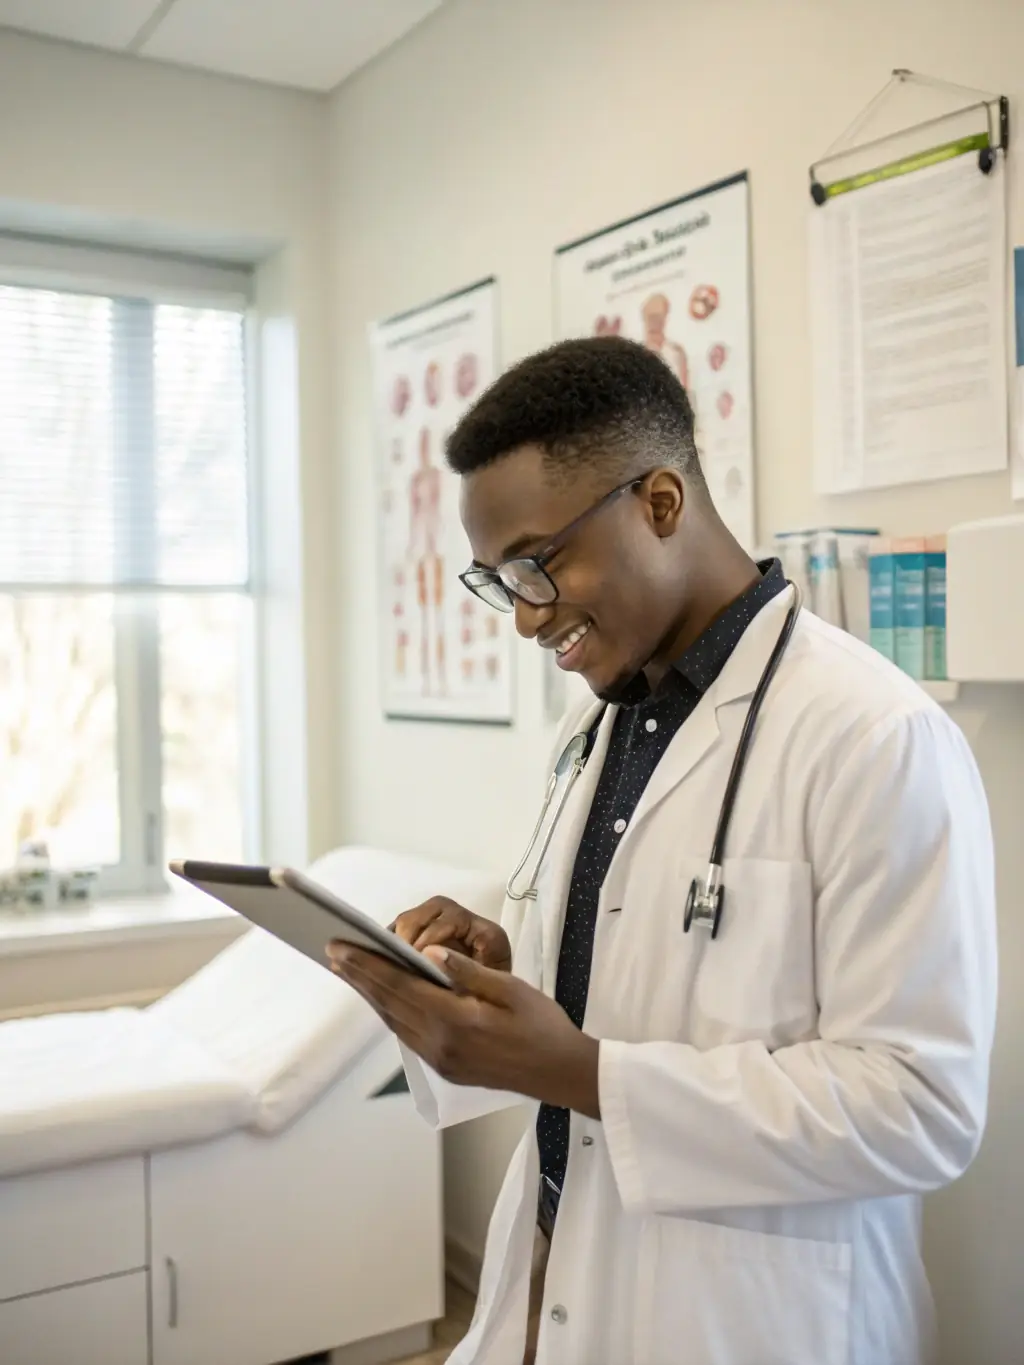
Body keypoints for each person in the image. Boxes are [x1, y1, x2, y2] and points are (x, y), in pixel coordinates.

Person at [329, 337, 996, 1365]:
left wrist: (591, 1074)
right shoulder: (593, 728)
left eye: (538, 566)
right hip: (563, 1260)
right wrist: (499, 982)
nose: (525, 618)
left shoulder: (873, 737)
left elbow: (921, 1108)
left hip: (755, 1318)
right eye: (497, 581)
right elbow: (621, 993)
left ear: (662, 503)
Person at [640, 291, 689, 388]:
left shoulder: (677, 353)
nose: (654, 322)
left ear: (665, 318)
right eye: (650, 317)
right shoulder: (637, 355)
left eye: (658, 317)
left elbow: (685, 390)